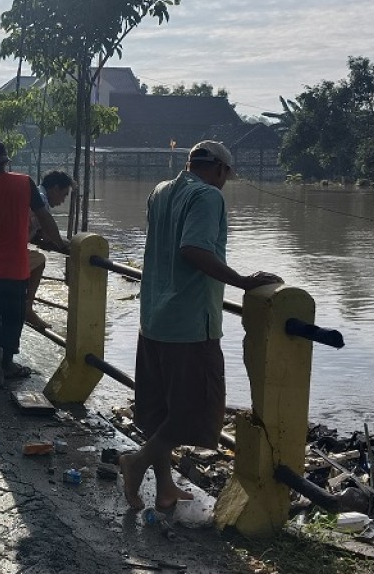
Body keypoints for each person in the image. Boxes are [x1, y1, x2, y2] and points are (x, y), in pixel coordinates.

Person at [120, 140, 282, 511]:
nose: (226, 182)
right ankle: (138, 462)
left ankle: (165, 489)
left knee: (161, 412)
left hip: (154, 317)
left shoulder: (160, 190)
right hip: (190, 322)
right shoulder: (209, 197)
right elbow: (193, 249)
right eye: (227, 175)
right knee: (198, 412)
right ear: (221, 169)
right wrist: (243, 281)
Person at [0, 139, 68, 388]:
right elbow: (45, 218)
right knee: (11, 319)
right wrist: (62, 246)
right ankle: (9, 364)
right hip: (16, 268)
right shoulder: (25, 182)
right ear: (5, 162)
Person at [24, 170, 75, 330]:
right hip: (8, 249)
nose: (63, 200)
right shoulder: (41, 201)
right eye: (64, 195)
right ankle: (27, 307)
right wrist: (64, 244)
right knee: (40, 261)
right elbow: (49, 236)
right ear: (55, 188)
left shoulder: (36, 194)